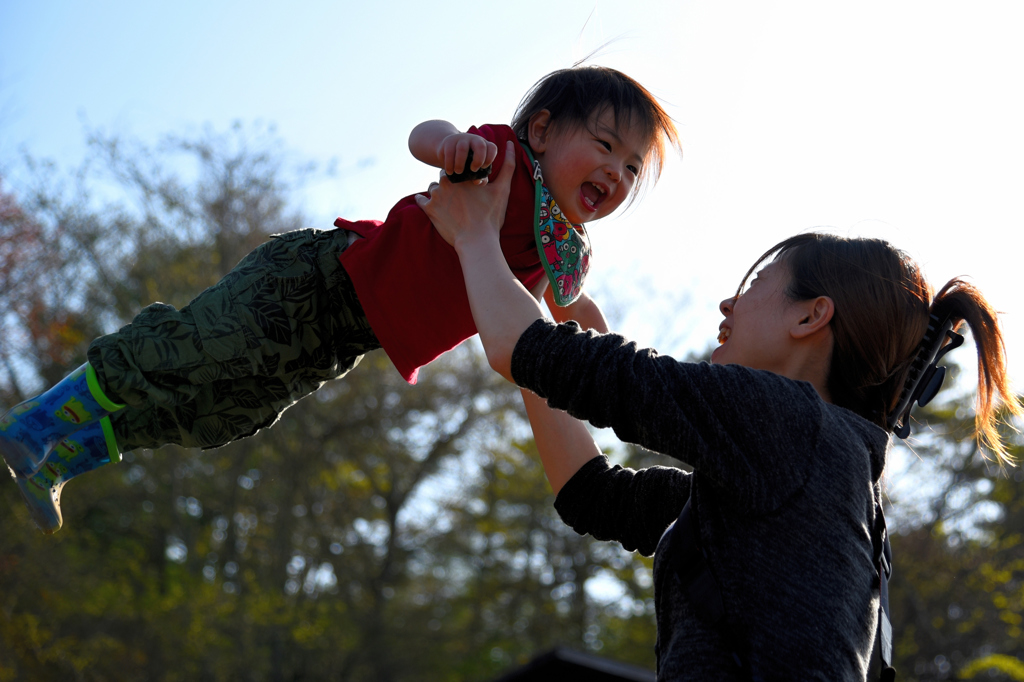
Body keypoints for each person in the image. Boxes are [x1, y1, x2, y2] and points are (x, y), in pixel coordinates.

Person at [416, 145, 1021, 680]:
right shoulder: (814, 475)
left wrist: (476, 237)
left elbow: (528, 351)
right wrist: (543, 327)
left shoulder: (791, 425)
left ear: (811, 316)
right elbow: (594, 495)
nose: (728, 302)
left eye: (755, 283)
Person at [0, 66, 681, 533]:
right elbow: (426, 137)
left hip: (343, 341)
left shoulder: (562, 252)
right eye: (604, 145)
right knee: (193, 350)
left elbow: (575, 316)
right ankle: (40, 420)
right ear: (540, 131)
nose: (616, 175)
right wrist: (447, 143)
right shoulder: (499, 159)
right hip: (319, 278)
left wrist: (622, 364)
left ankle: (67, 456)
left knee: (227, 414)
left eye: (631, 168)